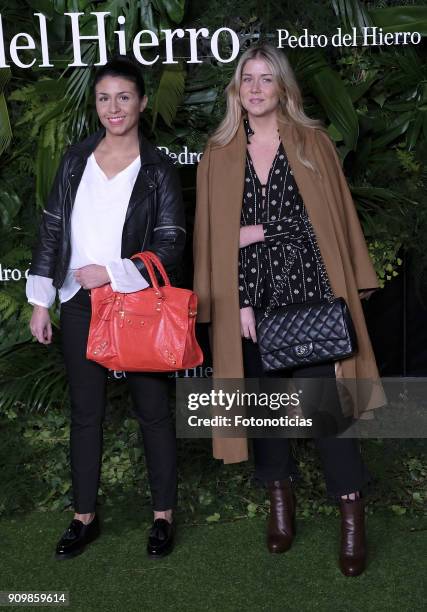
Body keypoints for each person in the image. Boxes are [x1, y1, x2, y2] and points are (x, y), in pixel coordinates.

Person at [193, 43, 384, 577]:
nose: (255, 88)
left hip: (312, 297)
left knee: (330, 414)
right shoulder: (218, 152)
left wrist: (257, 231)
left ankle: (352, 518)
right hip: (249, 304)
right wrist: (241, 304)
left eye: (266, 79)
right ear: (237, 89)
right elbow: (213, 241)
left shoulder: (312, 143)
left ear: (282, 88)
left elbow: (329, 224)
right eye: (246, 79)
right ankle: (280, 505)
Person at [27, 57, 185, 560]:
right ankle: (83, 517)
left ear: (140, 102)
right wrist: (39, 301)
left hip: (136, 305)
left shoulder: (158, 169)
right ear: (95, 104)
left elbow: (172, 244)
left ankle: (162, 517)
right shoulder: (75, 159)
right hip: (78, 306)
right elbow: (52, 229)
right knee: (85, 413)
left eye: (123, 97)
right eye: (103, 98)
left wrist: (113, 272)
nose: (113, 107)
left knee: (154, 413)